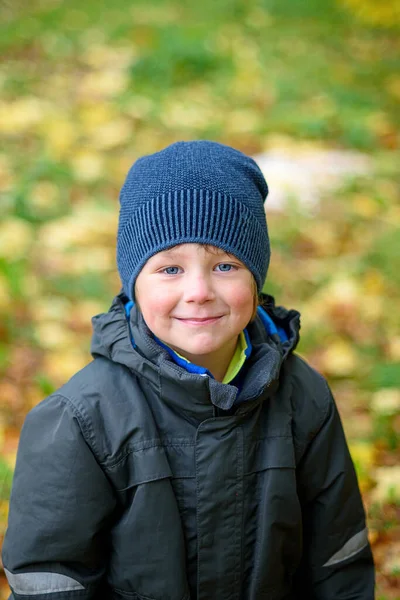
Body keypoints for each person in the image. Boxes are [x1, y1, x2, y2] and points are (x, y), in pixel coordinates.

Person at [2, 141, 375, 599]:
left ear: (256, 279)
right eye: (170, 269)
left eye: (224, 264)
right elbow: (52, 576)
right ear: (132, 284)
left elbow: (337, 560)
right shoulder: (81, 419)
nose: (199, 291)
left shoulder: (303, 398)